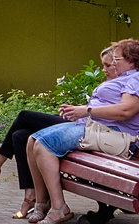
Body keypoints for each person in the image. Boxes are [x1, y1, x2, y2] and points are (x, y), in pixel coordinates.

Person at [0, 44, 119, 220]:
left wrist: (82, 110)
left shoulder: (126, 83)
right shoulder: (112, 83)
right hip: (78, 122)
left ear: (120, 63)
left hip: (85, 127)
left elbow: (115, 112)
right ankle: (32, 198)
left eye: (108, 65)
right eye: (103, 65)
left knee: (24, 116)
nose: (104, 69)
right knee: (20, 135)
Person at [22, 39, 139, 224]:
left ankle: (59, 208)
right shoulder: (126, 78)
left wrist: (87, 111)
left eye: (117, 59)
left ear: (132, 61)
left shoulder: (135, 78)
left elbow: (126, 111)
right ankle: (42, 203)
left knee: (43, 145)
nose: (114, 63)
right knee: (31, 141)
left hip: (115, 134)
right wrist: (80, 110)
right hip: (96, 127)